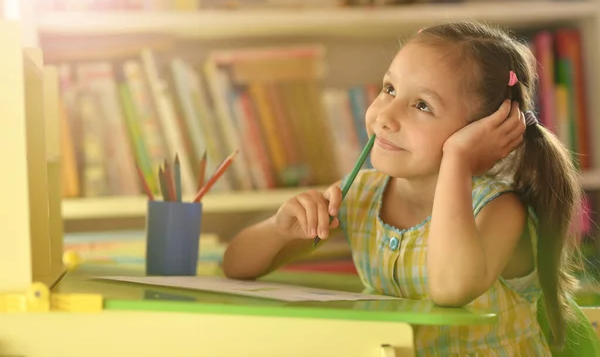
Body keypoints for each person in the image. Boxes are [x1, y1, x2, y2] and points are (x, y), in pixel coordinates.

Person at [222, 21, 583, 356]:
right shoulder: (361, 194)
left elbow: (451, 289)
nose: (385, 116)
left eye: (422, 105)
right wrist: (279, 229)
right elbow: (236, 266)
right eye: (389, 89)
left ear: (485, 132)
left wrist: (458, 159)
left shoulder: (498, 209)